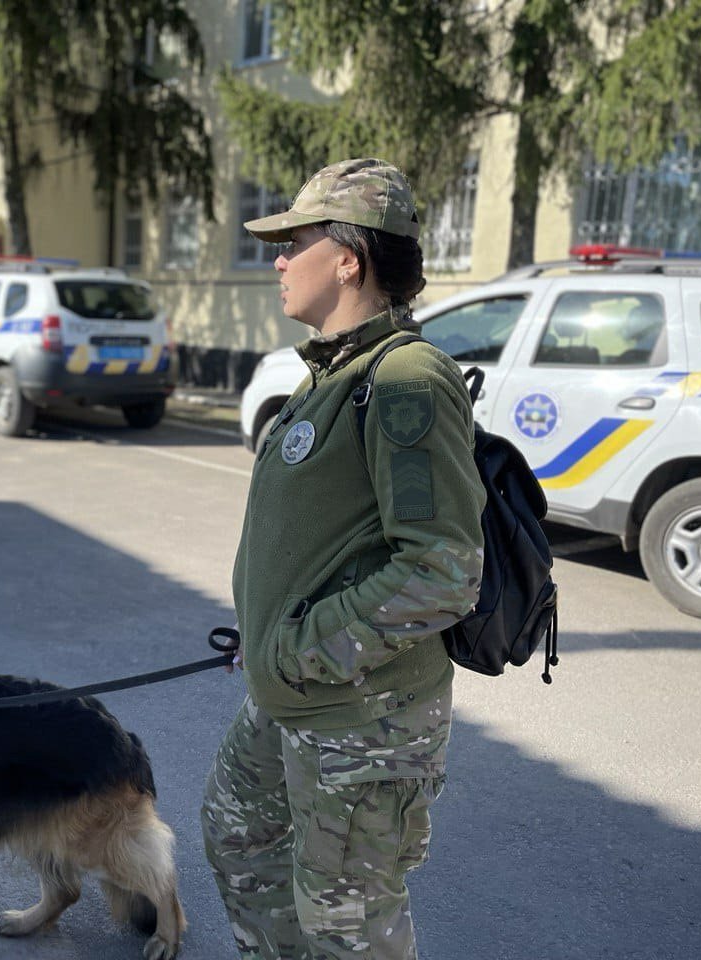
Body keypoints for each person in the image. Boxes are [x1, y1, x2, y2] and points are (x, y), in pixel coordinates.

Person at [201, 158, 486, 960]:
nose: (279, 260)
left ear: (349, 259)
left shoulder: (404, 379)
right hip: (295, 695)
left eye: (295, 243)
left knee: (349, 927)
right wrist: (269, 638)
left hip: (362, 719)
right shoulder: (330, 374)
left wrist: (301, 644)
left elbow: (442, 567)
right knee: (238, 838)